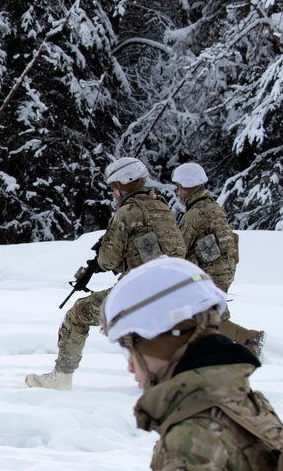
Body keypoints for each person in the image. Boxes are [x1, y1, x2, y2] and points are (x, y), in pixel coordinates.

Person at [102, 256, 283, 471]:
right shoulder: (246, 405)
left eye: (130, 348)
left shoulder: (194, 442)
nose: (130, 366)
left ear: (164, 338)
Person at [26, 157, 184, 390]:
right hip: (173, 287)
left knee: (78, 313)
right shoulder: (161, 206)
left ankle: (61, 377)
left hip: (142, 290)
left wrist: (103, 259)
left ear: (126, 183)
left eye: (114, 187)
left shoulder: (128, 212)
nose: (113, 192)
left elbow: (108, 260)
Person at [172, 162, 264, 356]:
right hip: (222, 271)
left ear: (186, 186)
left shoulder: (194, 214)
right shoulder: (212, 206)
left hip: (209, 275)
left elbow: (180, 247)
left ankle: (250, 338)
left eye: (179, 187)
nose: (177, 192)